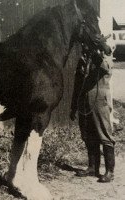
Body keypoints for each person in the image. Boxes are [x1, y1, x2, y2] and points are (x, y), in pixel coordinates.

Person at [70, 34, 115, 183]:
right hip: (84, 100)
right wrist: (73, 106)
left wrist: (100, 48)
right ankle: (92, 167)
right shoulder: (83, 59)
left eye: (88, 46)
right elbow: (77, 83)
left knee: (104, 134)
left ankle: (109, 171)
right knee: (88, 135)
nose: (86, 48)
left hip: (99, 99)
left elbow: (105, 68)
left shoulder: (104, 57)